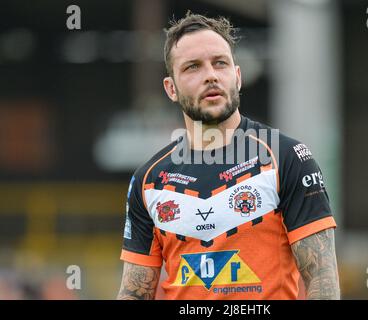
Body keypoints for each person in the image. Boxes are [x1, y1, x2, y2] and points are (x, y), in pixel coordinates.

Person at [117, 12, 340, 300]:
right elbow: (134, 293)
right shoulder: (149, 180)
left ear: (237, 75)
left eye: (219, 63)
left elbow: (323, 283)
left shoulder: (286, 158)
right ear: (171, 89)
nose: (210, 75)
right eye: (192, 67)